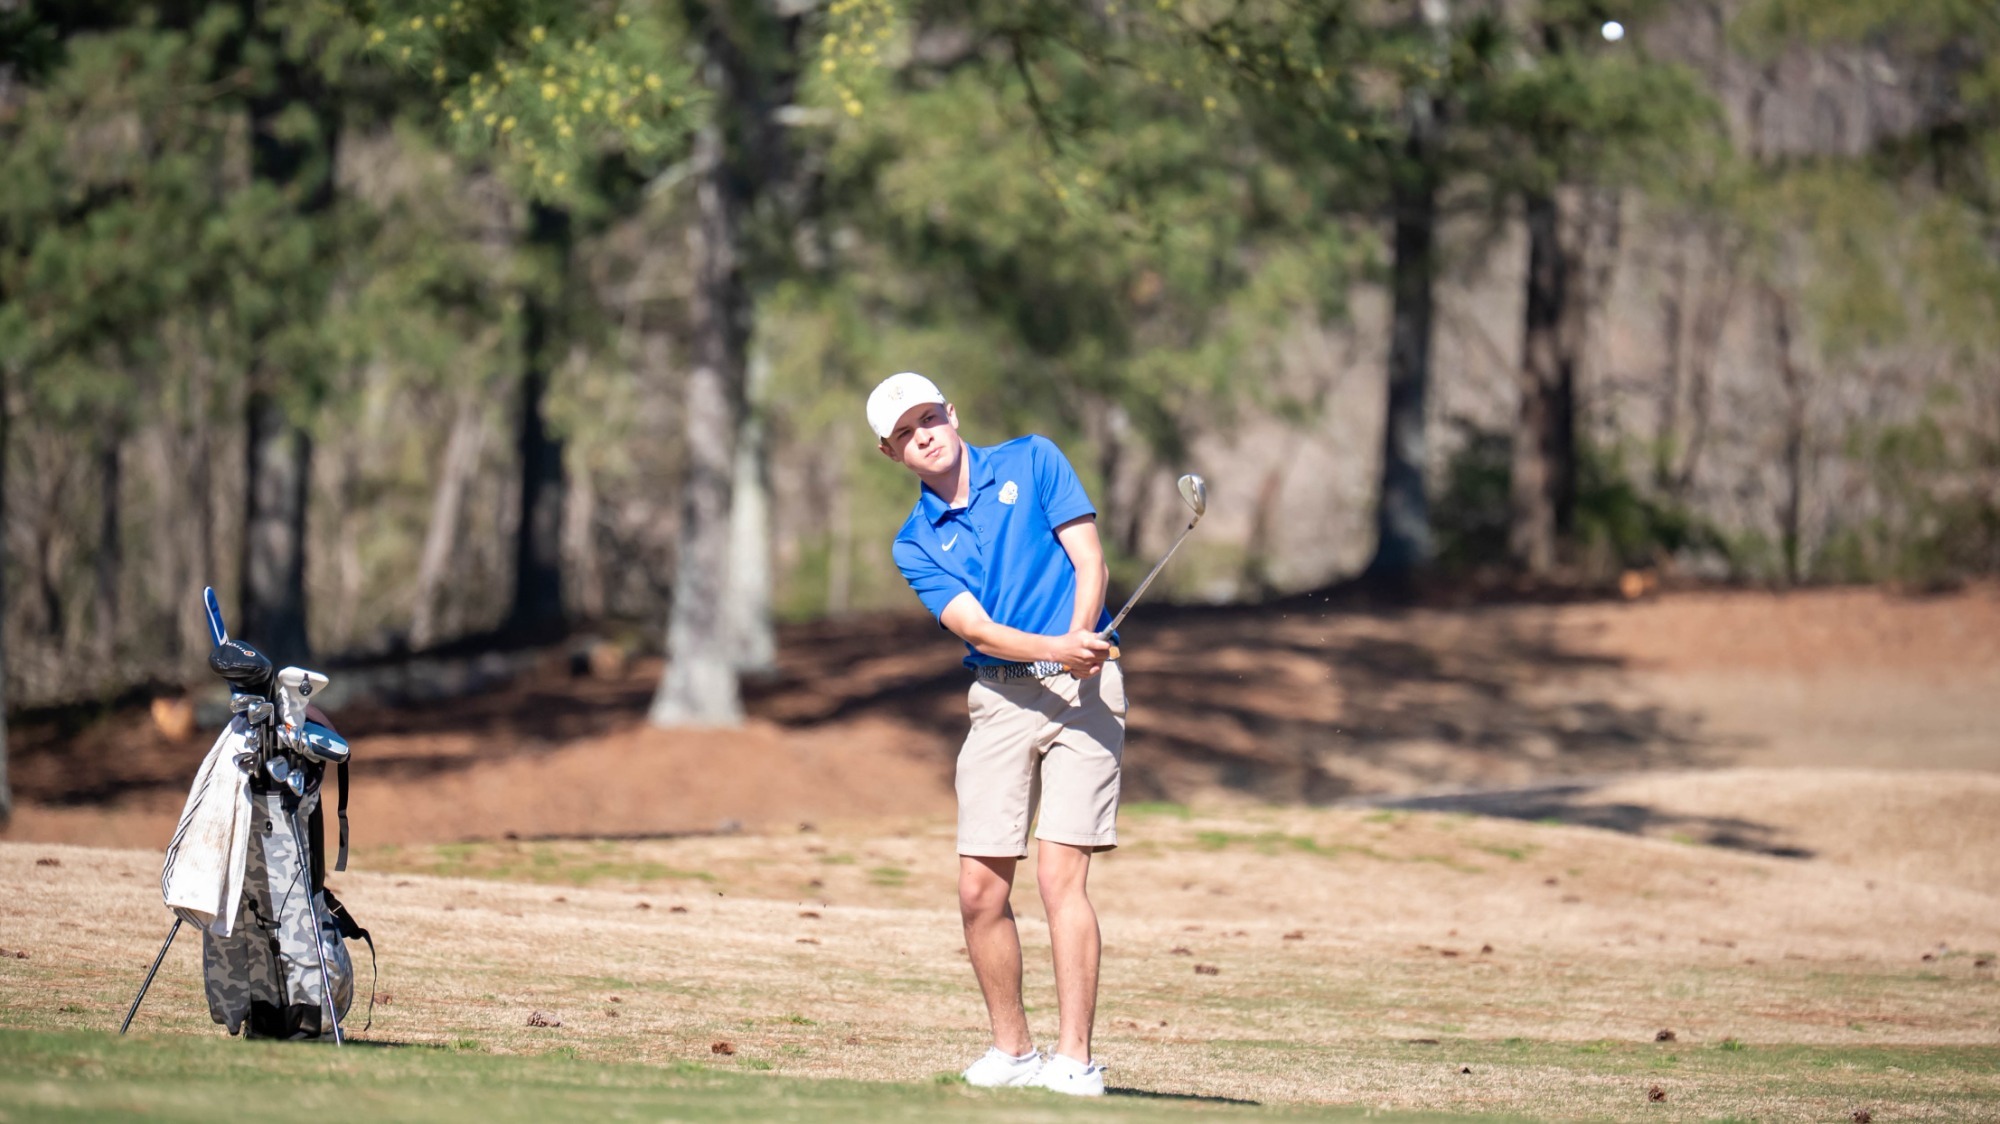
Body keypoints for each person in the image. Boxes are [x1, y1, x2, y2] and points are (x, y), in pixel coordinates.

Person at [868, 371, 1125, 1097]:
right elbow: (975, 628)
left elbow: (1090, 559)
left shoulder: (1034, 460)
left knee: (1058, 877)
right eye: (904, 433)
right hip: (1001, 698)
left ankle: (1075, 1060)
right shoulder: (915, 543)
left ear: (951, 411)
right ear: (893, 455)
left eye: (928, 416)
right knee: (980, 889)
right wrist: (1050, 651)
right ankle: (1012, 1051)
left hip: (1086, 690)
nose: (923, 433)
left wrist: (1076, 643)